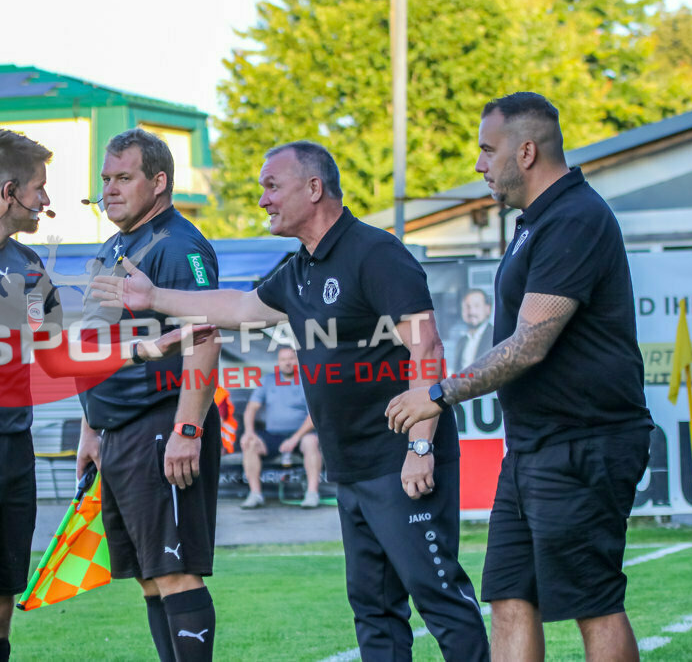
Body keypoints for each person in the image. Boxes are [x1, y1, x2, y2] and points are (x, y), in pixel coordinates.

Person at [92, 140, 489, 660]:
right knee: (373, 610)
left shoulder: (375, 252)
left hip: (398, 462)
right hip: (350, 468)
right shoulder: (301, 267)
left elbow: (427, 345)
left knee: (440, 599)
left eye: (271, 187)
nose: (262, 200)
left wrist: (420, 447)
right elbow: (237, 305)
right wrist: (155, 298)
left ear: (314, 188)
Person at [0, 128, 207, 662]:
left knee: (0, 607)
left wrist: (141, 352)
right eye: (40, 189)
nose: (47, 202)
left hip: (13, 454)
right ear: (10, 192)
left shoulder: (30, 269)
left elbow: (56, 356)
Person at [386, 92, 653, 662]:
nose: (480, 164)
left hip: (586, 441)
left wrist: (439, 392)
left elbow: (530, 344)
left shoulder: (575, 218)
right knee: (509, 597)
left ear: (526, 151)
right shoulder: (534, 222)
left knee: (593, 603)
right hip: (534, 446)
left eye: (488, 149)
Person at [74, 128, 222, 662]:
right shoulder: (113, 248)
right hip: (116, 435)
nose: (109, 190)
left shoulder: (179, 246)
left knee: (175, 571)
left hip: (161, 426)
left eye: (123, 178)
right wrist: (91, 432)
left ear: (159, 182)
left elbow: (204, 339)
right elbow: (96, 347)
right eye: (105, 179)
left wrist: (187, 429)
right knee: (149, 577)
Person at [239, 345, 322, 509]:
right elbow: (251, 409)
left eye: (291, 358)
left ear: (297, 361)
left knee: (311, 442)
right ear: (278, 362)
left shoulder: (307, 380)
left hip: (301, 434)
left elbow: (314, 415)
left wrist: (294, 439)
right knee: (250, 443)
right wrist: (249, 432)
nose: (288, 363)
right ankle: (255, 494)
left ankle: (312, 493)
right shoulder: (268, 381)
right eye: (284, 359)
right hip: (272, 435)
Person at [454, 289, 493, 375]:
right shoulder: (461, 341)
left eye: (476, 306)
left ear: (488, 309)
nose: (471, 312)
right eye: (467, 307)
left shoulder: (496, 337)